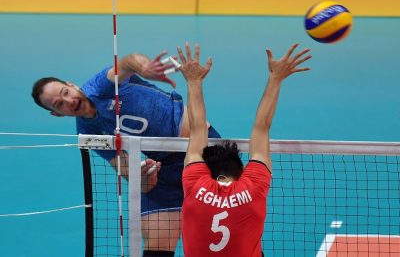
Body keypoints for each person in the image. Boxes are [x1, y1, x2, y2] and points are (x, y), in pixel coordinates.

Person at [31, 50, 221, 257]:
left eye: (65, 93)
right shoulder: (87, 132)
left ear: (71, 85)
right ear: (56, 114)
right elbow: (126, 170)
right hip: (164, 168)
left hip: (205, 151)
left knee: (233, 232)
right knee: (156, 245)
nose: (68, 101)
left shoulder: (100, 86)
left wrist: (144, 67)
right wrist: (144, 179)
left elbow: (128, 63)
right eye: (59, 104)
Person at [179, 43, 311, 256]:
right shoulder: (252, 188)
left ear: (209, 171)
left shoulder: (195, 185)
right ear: (240, 172)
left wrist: (194, 82)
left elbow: (196, 129)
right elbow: (262, 126)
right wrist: (275, 78)